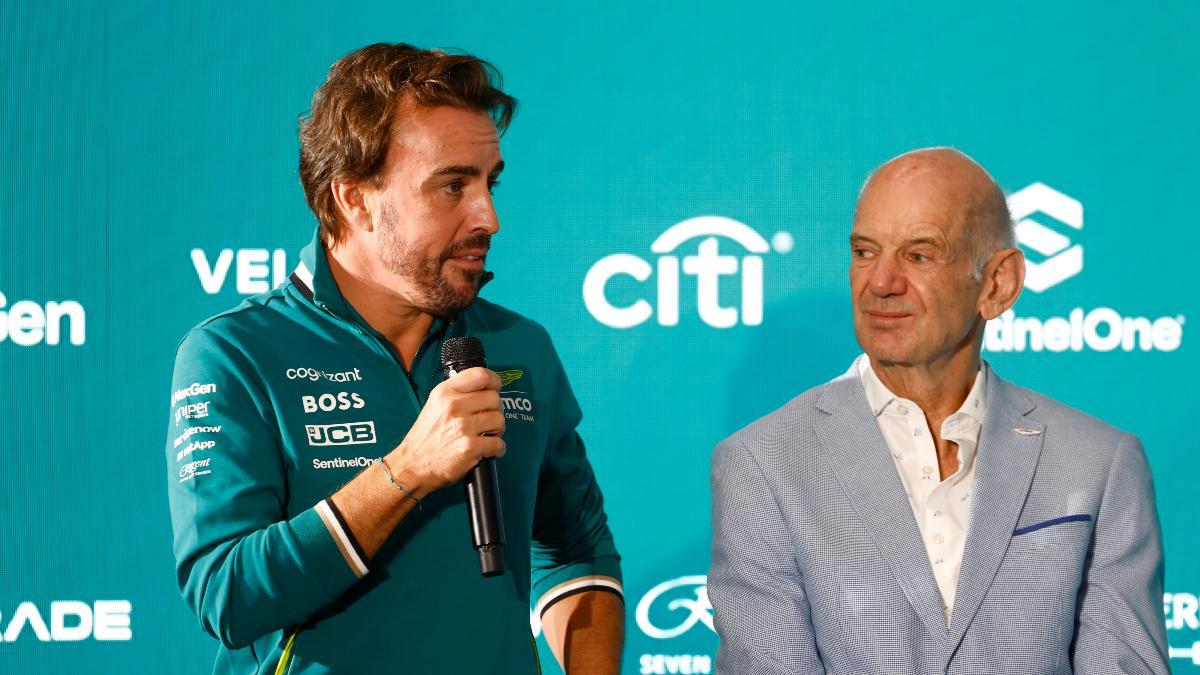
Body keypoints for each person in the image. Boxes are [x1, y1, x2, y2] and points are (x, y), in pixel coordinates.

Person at [165, 43, 623, 674]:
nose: (488, 217)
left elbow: (576, 550)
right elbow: (227, 596)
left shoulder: (520, 345)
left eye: (490, 183)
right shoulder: (234, 353)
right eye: (452, 186)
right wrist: (407, 472)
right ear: (354, 198)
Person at [708, 148, 1168, 674]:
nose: (880, 282)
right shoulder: (762, 462)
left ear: (997, 284)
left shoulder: (1097, 463)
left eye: (919, 255)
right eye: (864, 252)